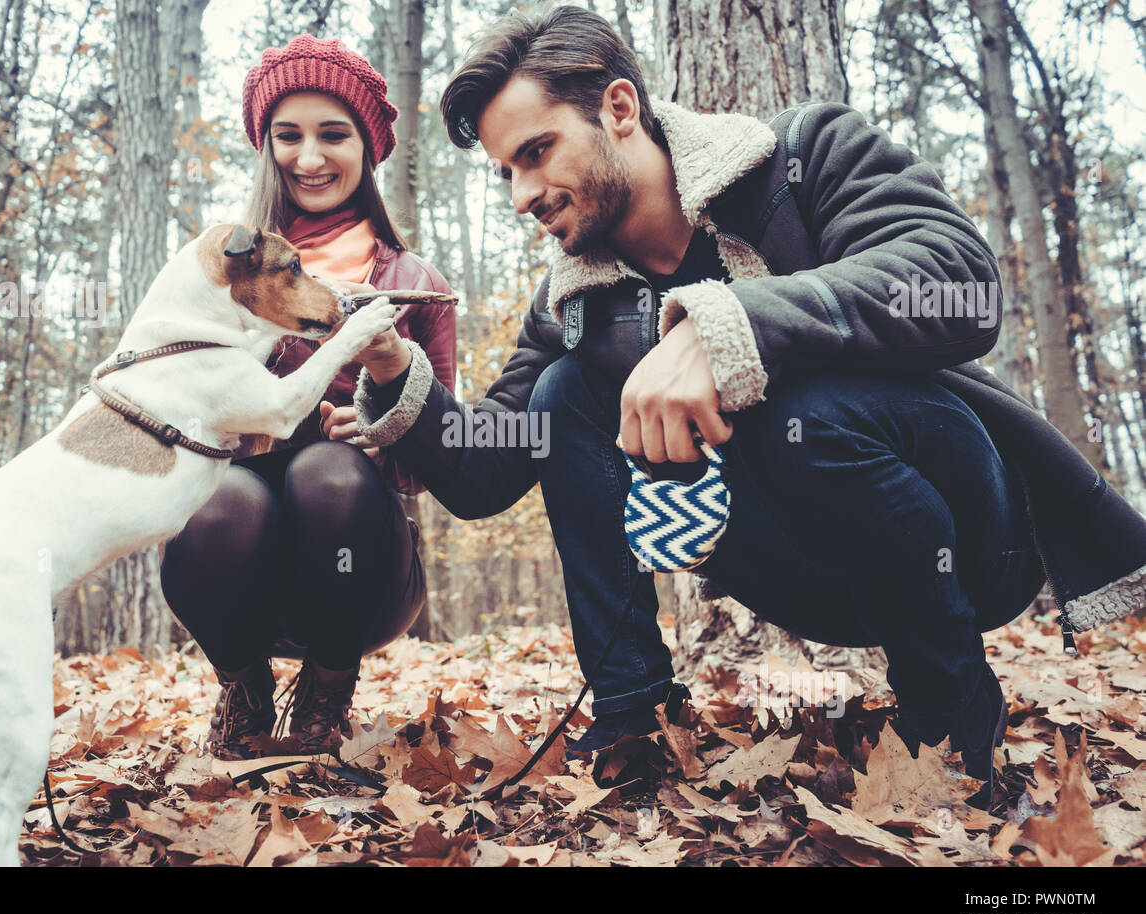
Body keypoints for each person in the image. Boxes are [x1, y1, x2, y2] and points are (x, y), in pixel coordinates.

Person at [347, 5, 1146, 810]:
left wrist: (727, 324)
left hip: (970, 538)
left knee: (805, 401)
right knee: (560, 393)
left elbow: (960, 281)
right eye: (505, 173)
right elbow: (486, 468)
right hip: (809, 573)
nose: (523, 195)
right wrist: (392, 365)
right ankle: (633, 721)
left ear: (619, 109)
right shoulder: (577, 298)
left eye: (536, 152)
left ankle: (951, 718)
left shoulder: (803, 156)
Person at [159, 35, 457, 760]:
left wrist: (382, 430)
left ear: (367, 147)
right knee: (220, 499)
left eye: (334, 134)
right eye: (288, 135)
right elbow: (166, 411)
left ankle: (327, 693)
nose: (310, 156)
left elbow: (443, 456)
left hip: (361, 566)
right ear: (266, 146)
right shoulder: (218, 272)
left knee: (328, 472)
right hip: (231, 562)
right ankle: (244, 688)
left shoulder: (412, 282)